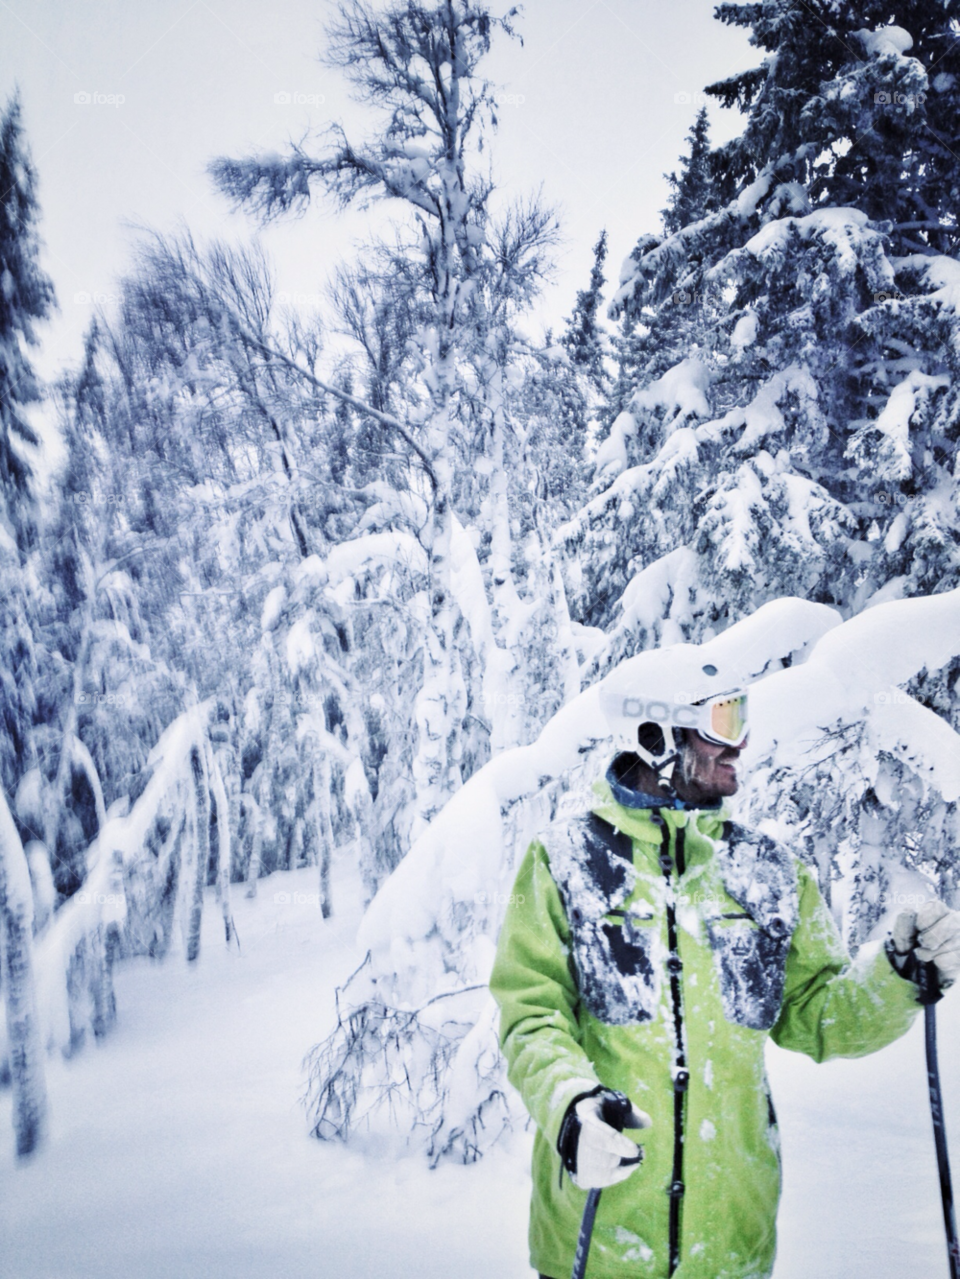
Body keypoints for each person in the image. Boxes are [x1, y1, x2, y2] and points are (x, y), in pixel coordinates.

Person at [489, 650, 960, 1279]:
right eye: (720, 722)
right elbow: (531, 1014)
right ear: (654, 735)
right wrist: (571, 1107)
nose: (738, 743)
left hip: (732, 1247)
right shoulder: (562, 862)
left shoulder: (767, 871)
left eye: (739, 718)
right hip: (599, 1239)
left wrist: (901, 972)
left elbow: (818, 1014)